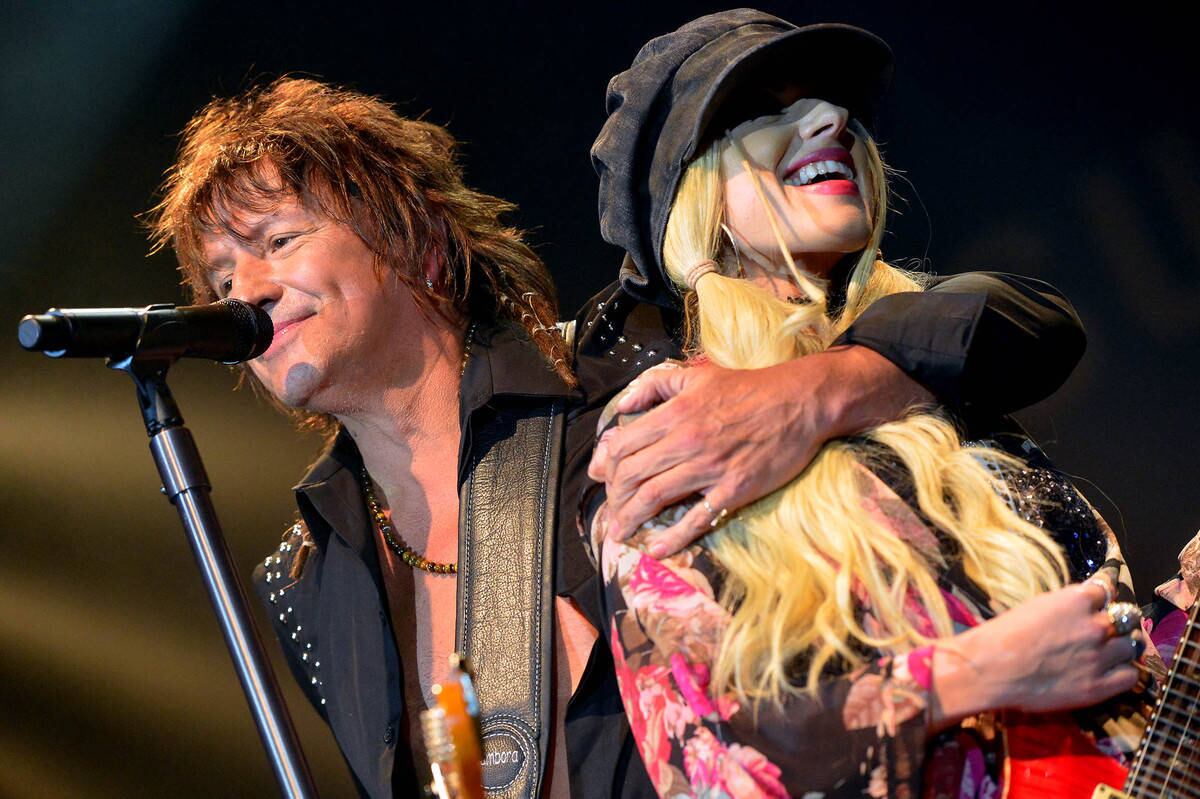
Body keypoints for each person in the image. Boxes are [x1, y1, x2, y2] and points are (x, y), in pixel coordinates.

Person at [146, 75, 1096, 799]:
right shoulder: (307, 578)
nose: (245, 291)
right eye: (221, 276)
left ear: (418, 244)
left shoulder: (623, 377)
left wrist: (812, 392)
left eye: (277, 241)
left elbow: (1019, 322)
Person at [583, 10, 1150, 797]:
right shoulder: (674, 434)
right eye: (768, 109)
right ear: (693, 198)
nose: (832, 117)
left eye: (832, 101)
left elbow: (1042, 322)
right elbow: (713, 762)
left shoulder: (932, 373)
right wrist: (971, 673)